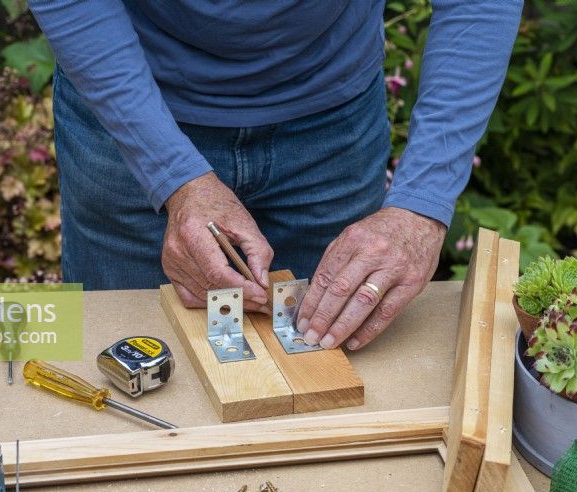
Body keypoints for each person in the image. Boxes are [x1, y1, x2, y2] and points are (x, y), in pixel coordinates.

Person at [29, 1, 522, 351]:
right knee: (125, 372)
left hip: (333, 130)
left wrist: (421, 206)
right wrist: (172, 177)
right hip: (129, 119)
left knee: (326, 366)